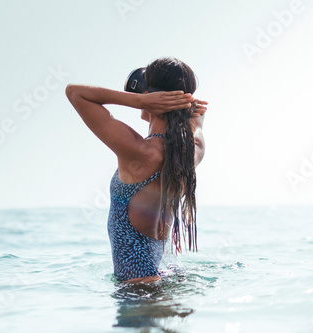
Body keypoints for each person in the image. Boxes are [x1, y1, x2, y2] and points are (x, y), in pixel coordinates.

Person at [66, 57, 207, 283]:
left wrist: (138, 101)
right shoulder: (191, 152)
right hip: (169, 278)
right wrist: (188, 108)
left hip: (138, 290)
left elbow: (75, 93)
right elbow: (197, 124)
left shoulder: (140, 151)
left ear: (149, 96)